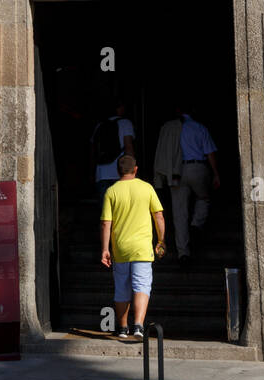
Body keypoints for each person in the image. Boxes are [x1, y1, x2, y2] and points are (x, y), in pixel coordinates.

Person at [100, 154, 165, 341]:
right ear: (135, 169)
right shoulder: (147, 188)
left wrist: (105, 249)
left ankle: (121, 327)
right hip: (142, 248)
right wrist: (161, 240)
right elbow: (158, 216)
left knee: (121, 288)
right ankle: (138, 325)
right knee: (141, 286)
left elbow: (106, 223)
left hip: (120, 248)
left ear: (117, 170)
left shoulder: (111, 191)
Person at [172, 105, 220, 266]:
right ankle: (196, 224)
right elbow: (210, 152)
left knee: (179, 212)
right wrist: (215, 173)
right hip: (198, 167)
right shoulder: (200, 128)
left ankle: (182, 253)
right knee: (203, 198)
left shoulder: (173, 129)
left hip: (177, 169)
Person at [90, 100, 135, 203]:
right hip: (119, 173)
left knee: (106, 212)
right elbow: (128, 147)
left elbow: (92, 151)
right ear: (118, 109)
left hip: (101, 174)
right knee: (122, 212)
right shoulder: (125, 123)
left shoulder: (99, 126)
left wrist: (92, 173)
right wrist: (132, 170)